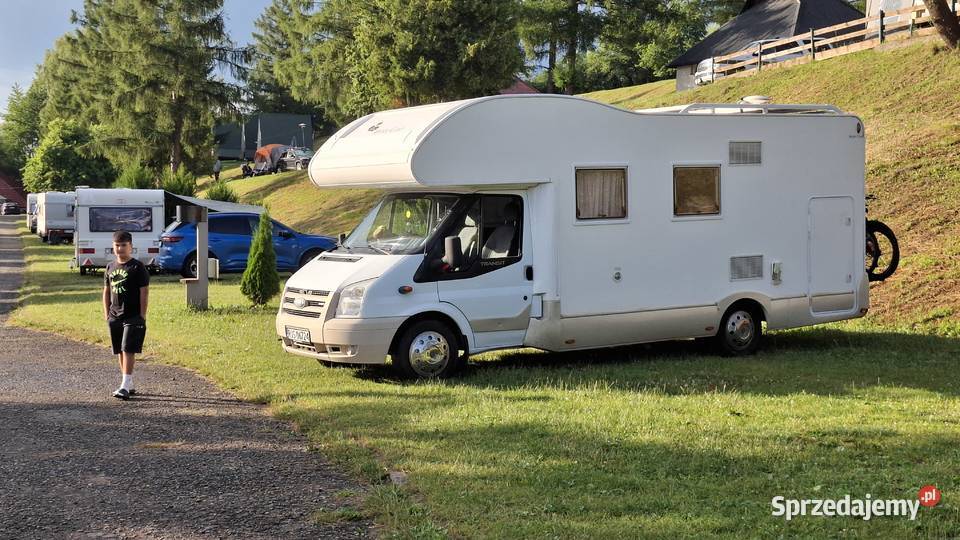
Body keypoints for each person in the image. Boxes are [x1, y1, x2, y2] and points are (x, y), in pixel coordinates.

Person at [102, 230, 150, 400]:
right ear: (113, 247)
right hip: (115, 315)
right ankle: (128, 383)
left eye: (124, 245)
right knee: (120, 350)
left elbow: (144, 292)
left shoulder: (137, 267)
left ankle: (124, 386)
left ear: (131, 247)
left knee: (128, 349)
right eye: (117, 245)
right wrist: (107, 314)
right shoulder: (110, 267)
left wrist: (142, 315)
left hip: (133, 315)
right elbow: (106, 292)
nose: (120, 248)